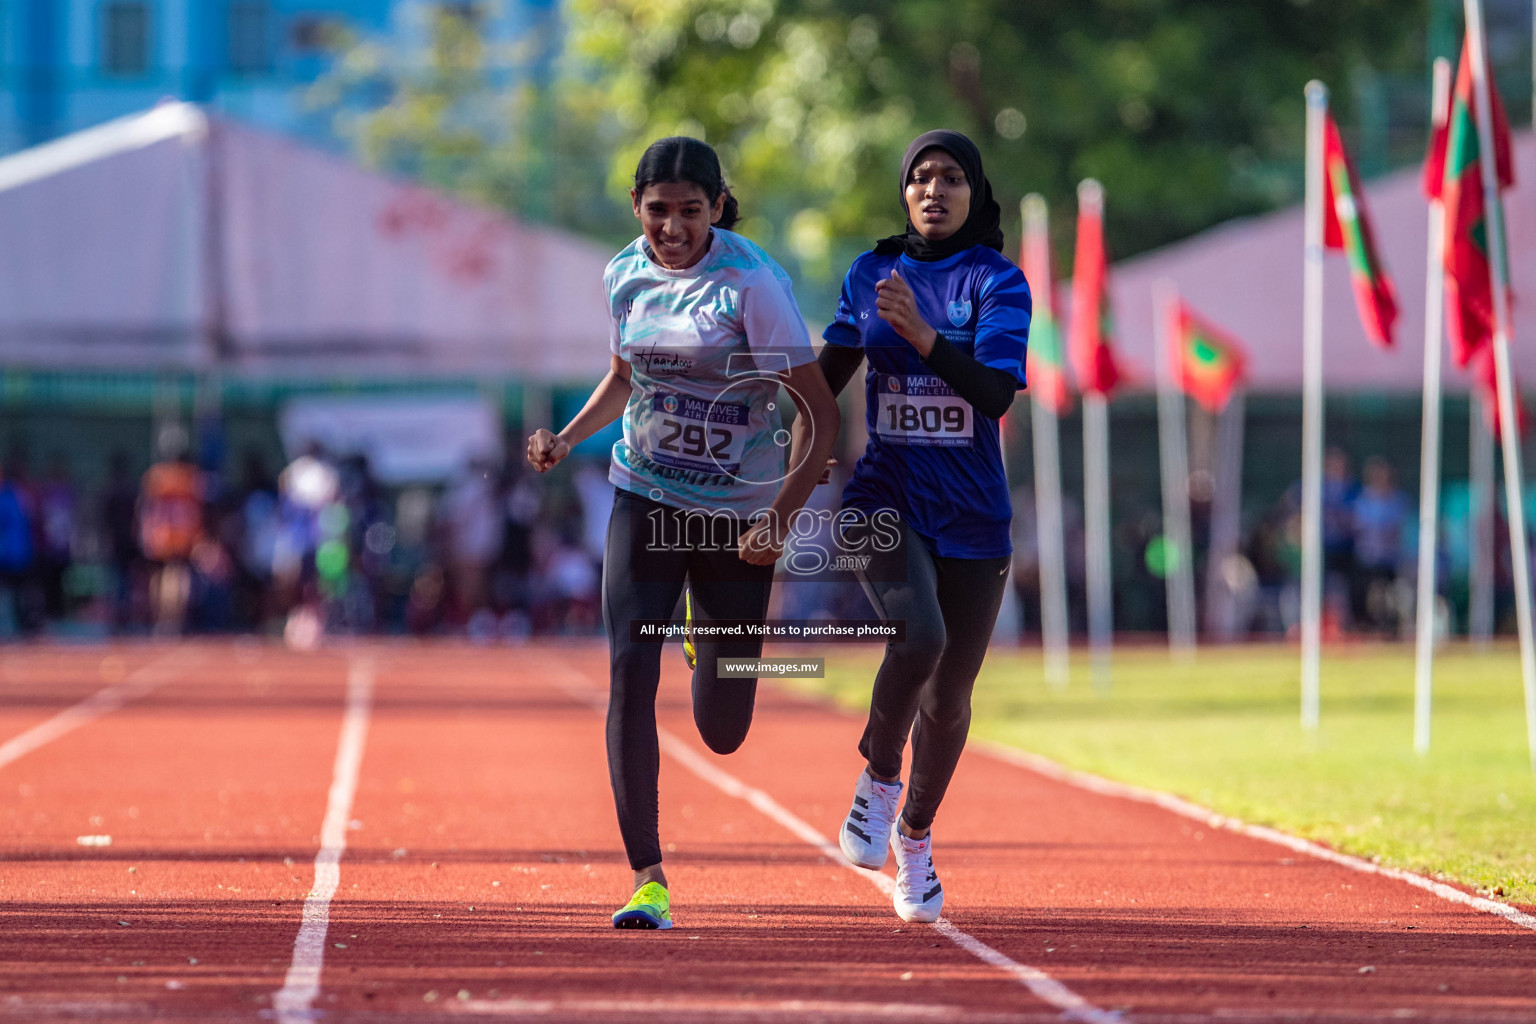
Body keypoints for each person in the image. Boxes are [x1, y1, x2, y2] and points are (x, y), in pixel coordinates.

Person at [527, 136, 839, 930]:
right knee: (630, 670)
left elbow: (819, 412)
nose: (672, 228)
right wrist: (567, 438)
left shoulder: (751, 284)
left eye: (690, 213)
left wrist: (780, 519)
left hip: (738, 515)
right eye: (658, 211)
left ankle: (709, 631)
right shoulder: (623, 273)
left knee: (724, 730)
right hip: (645, 494)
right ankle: (647, 877)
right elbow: (626, 376)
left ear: (717, 207)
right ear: (636, 207)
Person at [810, 129, 1029, 923]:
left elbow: (997, 394)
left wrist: (922, 335)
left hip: (974, 515)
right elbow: (822, 381)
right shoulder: (870, 273)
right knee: (920, 636)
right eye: (920, 179)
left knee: (948, 700)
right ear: (903, 193)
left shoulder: (998, 282)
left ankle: (916, 839)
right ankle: (876, 780)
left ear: (975, 194)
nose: (934, 192)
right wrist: (763, 420)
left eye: (951, 180)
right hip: (880, 498)